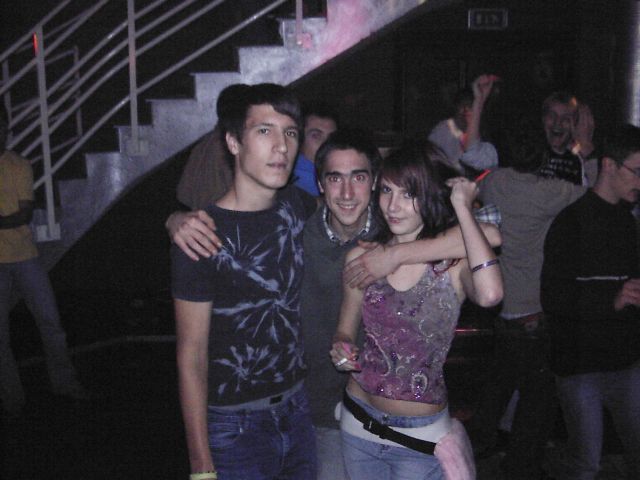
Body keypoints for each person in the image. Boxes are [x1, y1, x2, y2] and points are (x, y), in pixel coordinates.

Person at [169, 130, 502, 480]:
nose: (346, 193)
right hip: (314, 410)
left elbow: (491, 237)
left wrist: (398, 254)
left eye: (358, 178)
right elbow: (234, 215)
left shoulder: (397, 238)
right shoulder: (297, 224)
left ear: (372, 182)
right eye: (334, 178)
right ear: (320, 185)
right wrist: (176, 219)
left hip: (393, 427)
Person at [330, 141, 503, 480]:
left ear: (430, 196)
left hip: (420, 438)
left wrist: (462, 207)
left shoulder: (453, 263)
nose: (393, 206)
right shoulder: (363, 259)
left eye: (409, 194)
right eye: (387, 191)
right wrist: (342, 348)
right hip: (358, 424)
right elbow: (345, 330)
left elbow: (491, 293)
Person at [171, 83, 318, 480]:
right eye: (264, 130)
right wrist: (201, 463)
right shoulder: (201, 235)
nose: (282, 146)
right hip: (235, 428)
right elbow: (191, 356)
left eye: (290, 132)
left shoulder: (296, 206)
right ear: (234, 142)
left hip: (297, 411)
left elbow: (354, 214)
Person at [467, 128, 587, 478]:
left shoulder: (494, 183)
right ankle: (521, 466)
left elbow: (476, 181)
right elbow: (591, 193)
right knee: (538, 399)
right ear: (543, 158)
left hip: (501, 306)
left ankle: (473, 448)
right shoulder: (550, 191)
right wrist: (581, 152)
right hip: (532, 314)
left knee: (498, 385)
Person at [541, 125, 640, 480]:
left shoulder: (628, 222)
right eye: (637, 171)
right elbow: (553, 298)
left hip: (625, 362)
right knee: (586, 464)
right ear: (609, 165)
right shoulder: (571, 222)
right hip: (581, 366)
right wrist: (612, 299)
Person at [0, 108, 87, 417]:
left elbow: (24, 214)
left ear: (8, 131)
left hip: (25, 255)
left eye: (2, 127)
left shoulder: (18, 165)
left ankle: (65, 383)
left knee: (51, 323)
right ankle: (11, 399)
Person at [428, 74, 499, 176]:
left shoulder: (484, 132)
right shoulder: (442, 131)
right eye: (462, 106)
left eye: (470, 106)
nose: (465, 111)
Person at [537, 91, 598, 186]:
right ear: (543, 118)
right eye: (552, 116)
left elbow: (598, 190)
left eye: (566, 118)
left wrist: (586, 147)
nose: (557, 123)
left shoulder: (581, 159)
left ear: (576, 124)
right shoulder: (530, 152)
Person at [291, 101, 339, 196]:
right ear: (300, 139)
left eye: (331, 137)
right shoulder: (290, 181)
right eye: (316, 136)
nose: (325, 143)